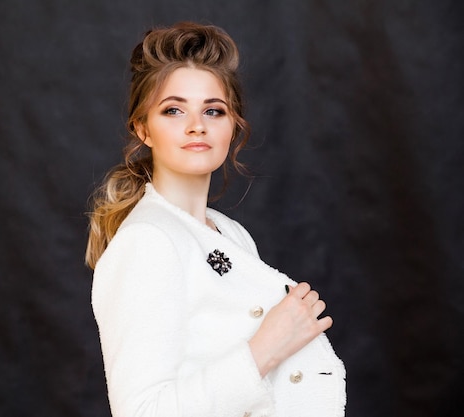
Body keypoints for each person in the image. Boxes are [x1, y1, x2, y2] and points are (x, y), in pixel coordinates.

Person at [85, 22, 346, 417]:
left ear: (233, 126)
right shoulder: (147, 241)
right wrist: (267, 347)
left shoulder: (229, 233)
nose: (197, 125)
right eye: (173, 110)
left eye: (213, 110)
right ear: (143, 129)